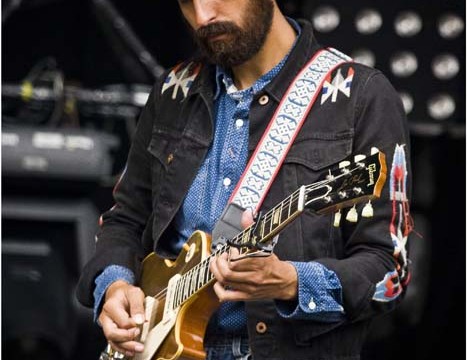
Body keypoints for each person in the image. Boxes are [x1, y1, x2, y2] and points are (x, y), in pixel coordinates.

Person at [76, 0, 414, 359]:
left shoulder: (360, 97)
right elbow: (124, 219)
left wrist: (291, 283)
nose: (203, 17)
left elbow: (389, 272)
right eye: (188, 3)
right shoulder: (174, 90)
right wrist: (114, 285)